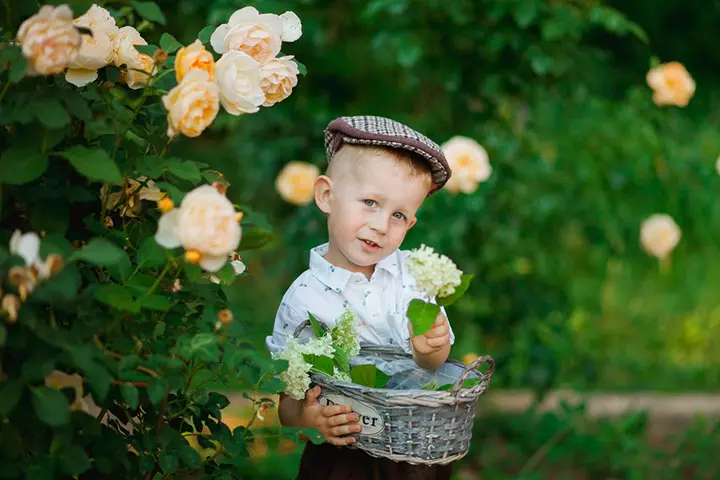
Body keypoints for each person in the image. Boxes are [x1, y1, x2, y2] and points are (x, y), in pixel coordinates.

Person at [266, 115, 455, 479]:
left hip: (415, 453)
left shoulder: (415, 276)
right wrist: (310, 417)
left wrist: (430, 346)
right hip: (345, 456)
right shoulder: (305, 299)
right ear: (326, 195)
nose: (381, 225)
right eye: (370, 202)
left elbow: (435, 365)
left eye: (398, 214)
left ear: (411, 223)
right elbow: (287, 405)